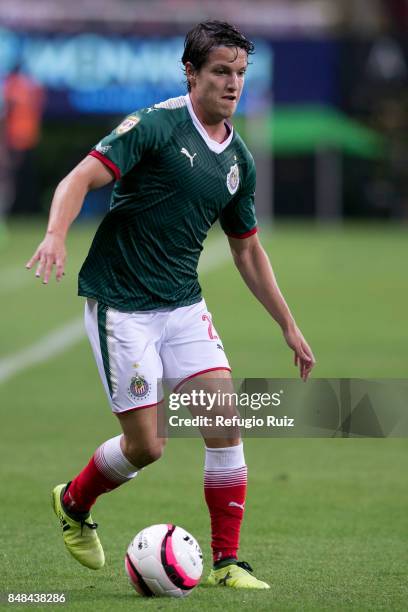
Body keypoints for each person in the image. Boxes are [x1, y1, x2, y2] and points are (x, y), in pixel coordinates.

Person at [26, 21, 315, 591]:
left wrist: (288, 325)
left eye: (239, 74)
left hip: (182, 304)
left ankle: (228, 562)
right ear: (191, 72)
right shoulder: (155, 126)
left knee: (224, 420)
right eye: (220, 72)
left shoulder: (239, 159)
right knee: (148, 446)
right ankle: (75, 504)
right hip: (123, 303)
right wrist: (56, 234)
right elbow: (79, 178)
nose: (233, 84)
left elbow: (248, 250)